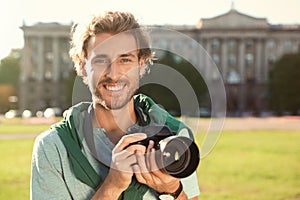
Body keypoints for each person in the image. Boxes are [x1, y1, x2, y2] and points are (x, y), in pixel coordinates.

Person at [30, 11, 200, 200]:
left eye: (125, 60)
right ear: (83, 67)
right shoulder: (53, 146)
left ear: (141, 65)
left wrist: (173, 189)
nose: (113, 73)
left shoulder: (175, 137)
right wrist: (112, 186)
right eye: (101, 60)